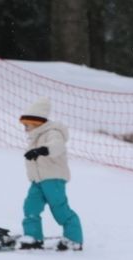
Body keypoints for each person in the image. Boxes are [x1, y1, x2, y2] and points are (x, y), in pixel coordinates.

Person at [19, 98, 84, 251]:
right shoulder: (35, 137)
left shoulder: (53, 133)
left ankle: (74, 239)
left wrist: (41, 150)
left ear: (36, 123)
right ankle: (33, 237)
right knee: (30, 207)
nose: (25, 128)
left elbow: (57, 147)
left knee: (60, 209)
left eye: (27, 125)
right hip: (37, 181)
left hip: (53, 179)